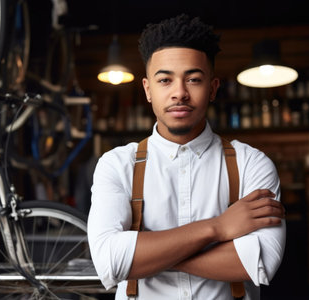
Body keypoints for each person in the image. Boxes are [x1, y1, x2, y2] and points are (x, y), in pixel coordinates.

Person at [88, 14, 286, 299]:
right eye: (165, 80)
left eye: (193, 79)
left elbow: (259, 263)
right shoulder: (116, 164)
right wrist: (217, 228)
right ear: (148, 90)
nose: (179, 93)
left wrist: (146, 258)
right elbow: (110, 261)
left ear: (213, 88)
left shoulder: (251, 163)